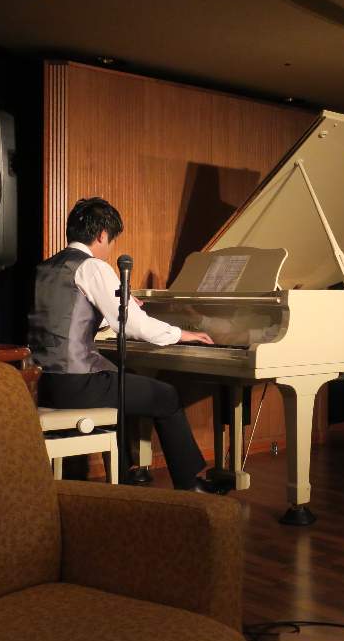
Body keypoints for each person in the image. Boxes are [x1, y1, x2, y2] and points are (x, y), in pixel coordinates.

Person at [28, 197, 223, 493]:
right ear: (102, 234)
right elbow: (133, 325)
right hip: (76, 384)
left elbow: (69, 318)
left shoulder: (46, 268)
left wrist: (120, 307)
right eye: (111, 240)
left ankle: (127, 472)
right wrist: (181, 334)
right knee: (167, 396)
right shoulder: (93, 267)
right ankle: (189, 484)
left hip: (45, 384)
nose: (109, 248)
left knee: (123, 378)